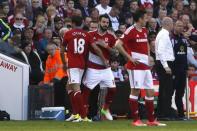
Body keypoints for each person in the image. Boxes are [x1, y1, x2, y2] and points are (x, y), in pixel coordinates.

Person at [115, 9, 166, 126]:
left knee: (150, 92)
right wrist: (130, 58)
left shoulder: (144, 30)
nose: (147, 20)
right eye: (145, 18)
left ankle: (151, 120)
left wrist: (148, 57)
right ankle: (136, 120)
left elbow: (146, 44)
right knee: (136, 91)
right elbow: (117, 44)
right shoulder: (130, 31)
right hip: (135, 67)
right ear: (139, 19)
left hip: (145, 66)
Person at [61, 16, 106, 122]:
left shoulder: (68, 33)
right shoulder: (86, 34)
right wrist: (104, 60)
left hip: (72, 65)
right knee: (69, 87)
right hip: (82, 64)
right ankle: (75, 113)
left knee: (76, 89)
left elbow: (61, 51)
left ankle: (84, 116)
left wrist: (64, 63)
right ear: (81, 23)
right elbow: (96, 48)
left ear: (72, 23)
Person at [82, 14, 117, 121]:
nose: (106, 24)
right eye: (104, 22)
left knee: (113, 89)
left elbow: (115, 53)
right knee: (86, 92)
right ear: (99, 22)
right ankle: (83, 114)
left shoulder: (111, 37)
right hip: (93, 68)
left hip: (106, 69)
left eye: (107, 22)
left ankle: (105, 109)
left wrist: (105, 46)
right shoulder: (90, 34)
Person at [155, 17, 175, 120]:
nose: (173, 26)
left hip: (163, 63)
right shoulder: (164, 35)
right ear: (168, 24)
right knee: (166, 90)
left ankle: (162, 113)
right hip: (164, 64)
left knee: (164, 89)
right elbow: (160, 51)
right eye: (172, 24)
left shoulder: (162, 34)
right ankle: (163, 114)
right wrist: (166, 66)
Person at [171, 20, 188, 120]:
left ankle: (181, 115)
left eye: (182, 26)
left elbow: (185, 55)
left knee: (180, 93)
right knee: (170, 92)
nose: (180, 28)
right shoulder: (171, 38)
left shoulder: (184, 39)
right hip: (173, 70)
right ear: (174, 26)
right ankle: (167, 112)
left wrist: (186, 69)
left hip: (182, 71)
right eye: (178, 26)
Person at [43, 42, 68, 107]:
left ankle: (62, 109)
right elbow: (47, 72)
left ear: (56, 48)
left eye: (52, 49)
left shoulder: (61, 55)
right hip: (54, 81)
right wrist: (46, 83)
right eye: (48, 50)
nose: (50, 51)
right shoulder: (48, 58)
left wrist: (53, 81)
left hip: (63, 78)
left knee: (60, 93)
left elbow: (62, 69)